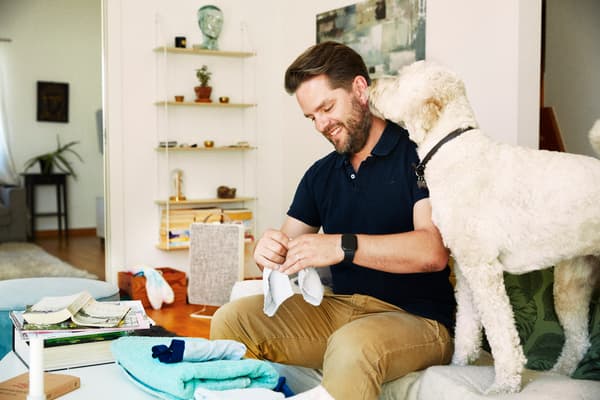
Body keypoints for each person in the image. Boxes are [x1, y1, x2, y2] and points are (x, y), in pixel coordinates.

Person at [210, 41, 456, 400]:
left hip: (419, 319)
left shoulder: (417, 153)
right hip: (342, 308)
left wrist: (342, 245)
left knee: (352, 344)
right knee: (232, 320)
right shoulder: (320, 175)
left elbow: (432, 251)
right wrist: (266, 251)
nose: (321, 125)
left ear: (359, 89)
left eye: (327, 108)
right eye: (312, 117)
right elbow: (281, 252)